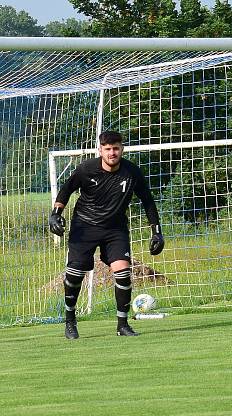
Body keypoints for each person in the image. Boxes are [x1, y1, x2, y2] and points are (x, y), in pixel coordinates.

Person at [49, 130, 165, 339]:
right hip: (84, 227)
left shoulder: (132, 172)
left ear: (122, 149)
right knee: (75, 274)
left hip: (115, 229)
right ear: (100, 150)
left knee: (122, 272)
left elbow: (148, 201)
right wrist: (55, 214)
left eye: (116, 148)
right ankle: (70, 321)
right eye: (108, 149)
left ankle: (123, 325)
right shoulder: (86, 170)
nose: (112, 153)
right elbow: (66, 190)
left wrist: (157, 232)